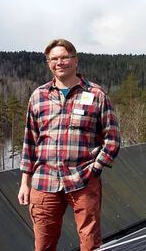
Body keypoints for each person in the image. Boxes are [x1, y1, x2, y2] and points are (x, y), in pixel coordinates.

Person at [17, 39, 121, 251]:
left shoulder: (95, 95)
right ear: (48, 63)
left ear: (76, 61)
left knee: (90, 244)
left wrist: (96, 168)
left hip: (83, 179)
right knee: (43, 245)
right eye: (54, 59)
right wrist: (24, 182)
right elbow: (29, 142)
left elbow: (112, 138)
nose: (60, 62)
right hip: (44, 181)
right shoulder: (38, 96)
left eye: (65, 57)